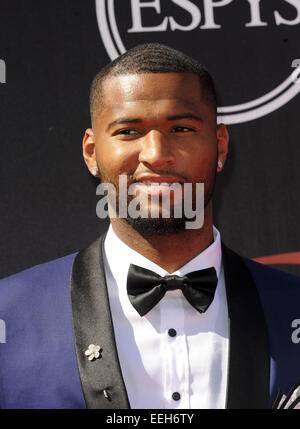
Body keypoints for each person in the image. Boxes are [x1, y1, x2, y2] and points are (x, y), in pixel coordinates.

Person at [0, 43, 300, 410]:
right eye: (128, 131)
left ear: (220, 147)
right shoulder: (9, 317)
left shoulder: (291, 308)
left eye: (182, 128)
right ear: (92, 153)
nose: (156, 153)